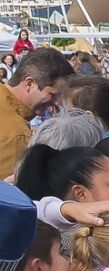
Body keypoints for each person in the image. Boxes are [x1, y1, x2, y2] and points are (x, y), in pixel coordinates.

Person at [1, 46, 73, 180]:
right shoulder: (16, 134)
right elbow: (7, 195)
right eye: (52, 94)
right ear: (30, 84)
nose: (57, 102)